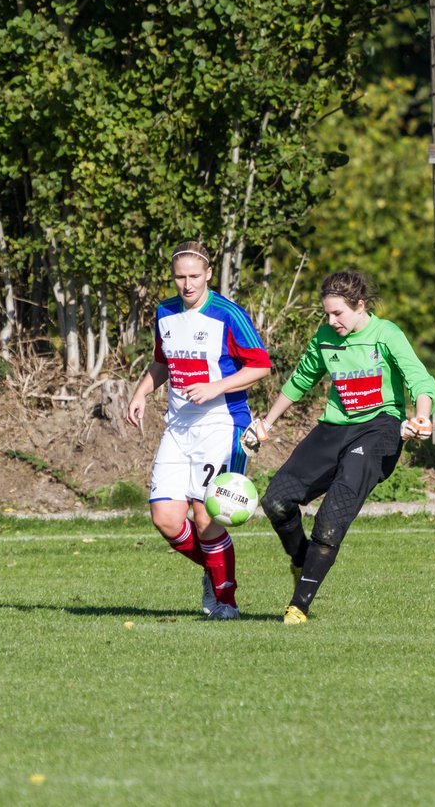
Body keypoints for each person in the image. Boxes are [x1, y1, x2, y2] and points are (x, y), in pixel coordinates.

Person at [240, 271, 435, 624]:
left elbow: (420, 381)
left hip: (379, 430)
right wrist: (266, 423)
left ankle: (298, 605)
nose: (331, 322)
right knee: (275, 500)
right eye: (327, 314)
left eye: (338, 314)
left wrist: (421, 417)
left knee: (330, 521)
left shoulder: (386, 334)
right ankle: (302, 559)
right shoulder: (325, 336)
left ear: (360, 306)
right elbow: (301, 379)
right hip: (334, 428)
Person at [126, 241, 272, 620]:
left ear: (208, 274)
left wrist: (216, 387)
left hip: (222, 425)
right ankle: (214, 568)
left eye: (194, 276)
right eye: (180, 277)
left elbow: (260, 366)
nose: (187, 284)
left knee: (206, 518)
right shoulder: (165, 312)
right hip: (178, 427)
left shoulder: (228, 314)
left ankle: (226, 600)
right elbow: (162, 363)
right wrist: (141, 393)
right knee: (167, 519)